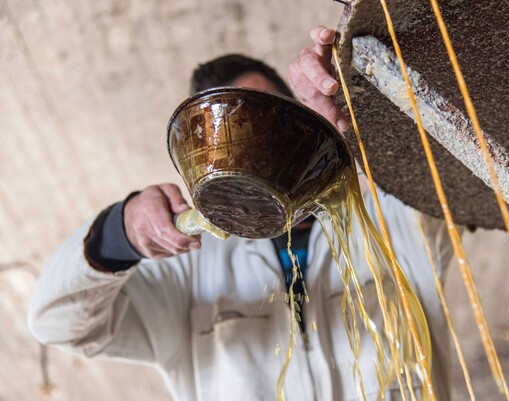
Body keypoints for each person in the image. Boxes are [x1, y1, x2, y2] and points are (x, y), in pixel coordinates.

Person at [28, 26, 454, 401]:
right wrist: (120, 232)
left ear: (302, 117)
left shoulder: (391, 214)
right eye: (234, 133)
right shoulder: (187, 269)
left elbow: (461, 167)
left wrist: (367, 112)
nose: (257, 144)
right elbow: (58, 323)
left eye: (268, 116)